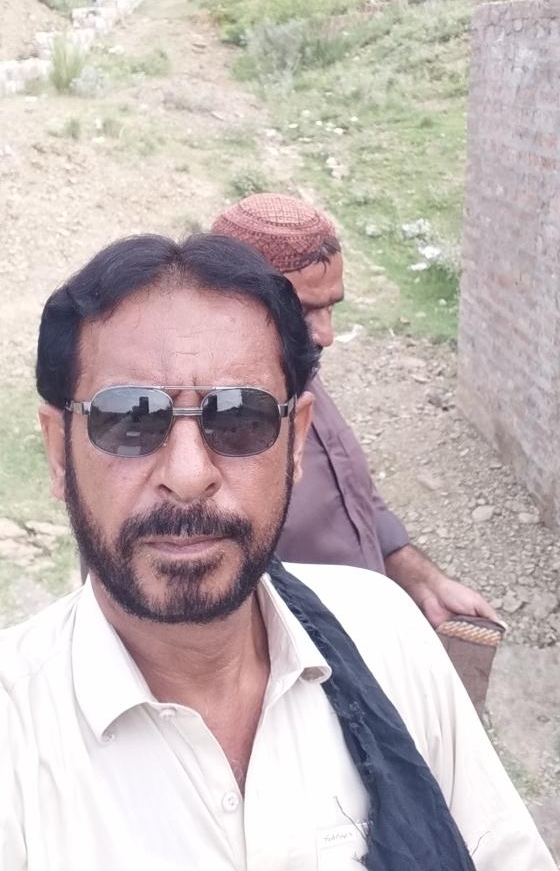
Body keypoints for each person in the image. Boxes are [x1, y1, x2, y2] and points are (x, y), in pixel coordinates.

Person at [0, 232, 553, 870]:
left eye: (241, 417)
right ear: (59, 451)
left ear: (295, 443)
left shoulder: (385, 636)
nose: (188, 475)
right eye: (130, 418)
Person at [211, 193, 496, 628]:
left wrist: (424, 581)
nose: (326, 335)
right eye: (303, 311)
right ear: (229, 306)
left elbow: (352, 498)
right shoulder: (192, 441)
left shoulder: (296, 372)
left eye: (331, 307)